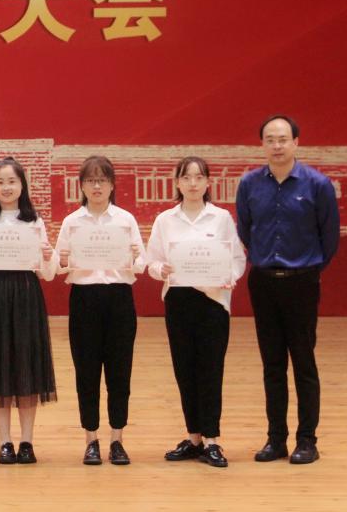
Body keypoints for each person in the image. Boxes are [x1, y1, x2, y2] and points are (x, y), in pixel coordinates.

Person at [236, 115, 339, 465]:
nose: (277, 145)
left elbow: (329, 237)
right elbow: (245, 231)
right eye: (270, 139)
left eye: (283, 139)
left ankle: (307, 440)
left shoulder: (318, 184)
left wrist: (307, 269)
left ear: (296, 142)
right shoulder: (249, 184)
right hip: (263, 281)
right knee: (272, 363)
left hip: (302, 282)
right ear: (262, 144)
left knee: (304, 362)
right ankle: (275, 439)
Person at [145, 156, 247, 468]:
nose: (192, 183)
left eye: (198, 177)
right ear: (177, 182)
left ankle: (212, 440)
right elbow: (151, 261)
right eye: (186, 177)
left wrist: (229, 276)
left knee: (211, 369)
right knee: (184, 369)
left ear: (207, 182)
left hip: (213, 301)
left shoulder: (221, 218)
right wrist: (161, 269)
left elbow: (237, 259)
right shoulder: (165, 220)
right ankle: (193, 438)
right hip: (179, 300)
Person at [0, 157, 59, 465]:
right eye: (0, 182)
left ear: (22, 185)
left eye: (12, 181)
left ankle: (27, 442)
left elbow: (48, 273)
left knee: (27, 366)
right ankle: (5, 441)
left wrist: (48, 254)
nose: (6, 187)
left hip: (26, 294)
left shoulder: (34, 221)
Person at [57, 155, 146, 466]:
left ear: (112, 185)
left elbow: (142, 262)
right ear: (81, 186)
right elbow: (58, 264)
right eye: (91, 181)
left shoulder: (125, 220)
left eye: (102, 180)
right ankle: (91, 439)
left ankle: (117, 439)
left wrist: (133, 257)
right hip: (84, 299)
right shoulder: (72, 222)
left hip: (119, 298)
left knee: (120, 372)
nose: (97, 186)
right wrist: (63, 259)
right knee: (87, 372)